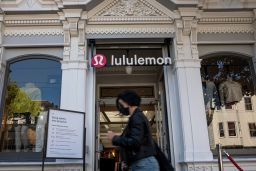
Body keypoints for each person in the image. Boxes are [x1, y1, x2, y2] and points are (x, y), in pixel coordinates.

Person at [107, 90, 159, 171]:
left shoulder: (136, 117)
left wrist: (114, 138)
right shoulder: (137, 117)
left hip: (143, 164)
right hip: (141, 164)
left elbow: (135, 142)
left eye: (121, 104)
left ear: (128, 102)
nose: (120, 107)